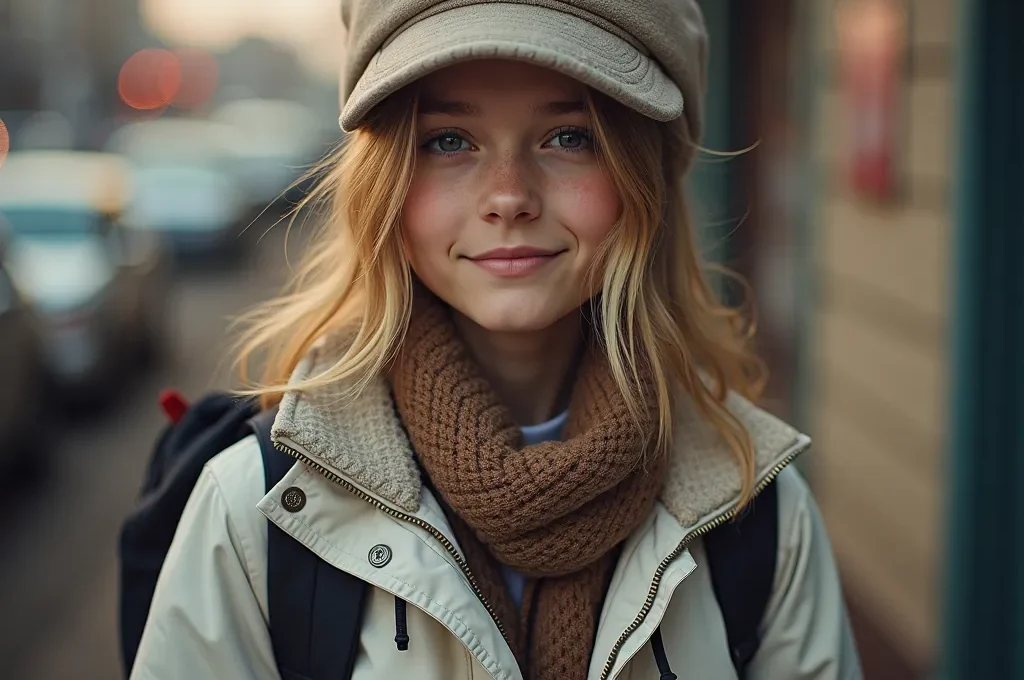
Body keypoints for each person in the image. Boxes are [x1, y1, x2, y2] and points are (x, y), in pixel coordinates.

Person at [129, 1, 862, 679]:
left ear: (648, 180)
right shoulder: (258, 509)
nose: (509, 195)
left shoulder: (758, 516)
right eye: (449, 140)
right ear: (384, 184)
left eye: (569, 137)